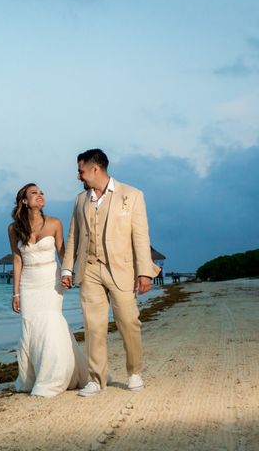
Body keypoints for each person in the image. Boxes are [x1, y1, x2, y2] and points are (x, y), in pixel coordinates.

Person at [61, 149, 160, 397]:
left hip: (121, 269)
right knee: (93, 326)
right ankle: (97, 379)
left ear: (96, 169)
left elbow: (140, 235)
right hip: (89, 269)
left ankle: (135, 373)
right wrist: (67, 267)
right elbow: (73, 236)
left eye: (81, 170)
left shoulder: (132, 195)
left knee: (129, 322)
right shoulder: (79, 200)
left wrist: (145, 272)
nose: (78, 176)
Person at [8, 183, 89, 397]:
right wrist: (15, 293)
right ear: (24, 201)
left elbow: (62, 252)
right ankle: (31, 378)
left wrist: (68, 272)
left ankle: (52, 379)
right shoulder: (13, 228)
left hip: (49, 280)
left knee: (51, 324)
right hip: (28, 283)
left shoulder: (54, 223)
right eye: (34, 193)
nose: (40, 195)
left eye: (41, 192)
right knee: (31, 327)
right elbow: (17, 260)